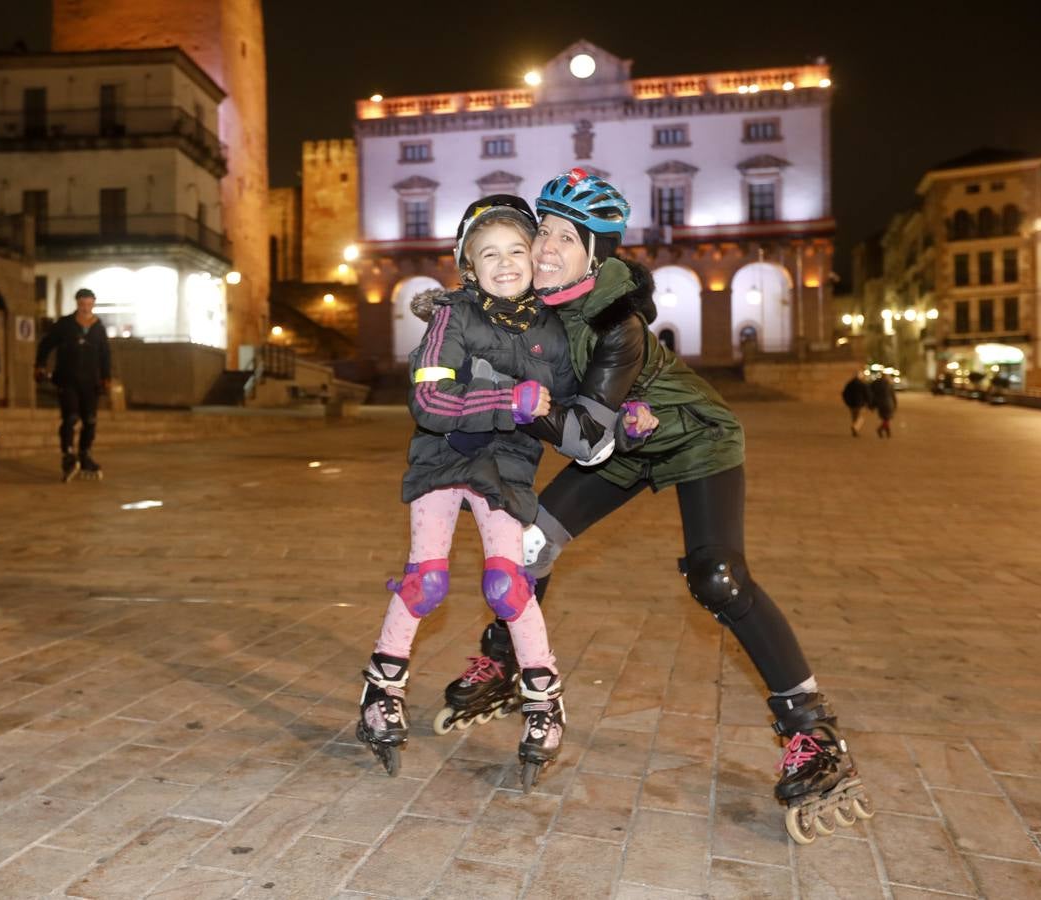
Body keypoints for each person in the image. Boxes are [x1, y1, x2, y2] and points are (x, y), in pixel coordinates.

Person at [491, 169, 870, 842]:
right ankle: (503, 661)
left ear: (596, 253)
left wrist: (529, 408)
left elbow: (582, 441)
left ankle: (814, 734)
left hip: (691, 439)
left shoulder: (618, 326)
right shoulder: (535, 303)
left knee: (717, 576)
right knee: (527, 546)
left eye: (561, 237)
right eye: (540, 230)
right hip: (624, 443)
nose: (542, 247)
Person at [357, 195, 652, 790]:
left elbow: (571, 407)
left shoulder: (549, 329)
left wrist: (626, 422)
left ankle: (543, 694)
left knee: (508, 582)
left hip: (507, 467)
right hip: (442, 460)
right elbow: (428, 401)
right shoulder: (452, 316)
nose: (506, 262)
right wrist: (501, 400)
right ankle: (383, 682)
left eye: (517, 248)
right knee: (427, 580)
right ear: (468, 264)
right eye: (487, 252)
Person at [36, 288, 111, 481]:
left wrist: (106, 378)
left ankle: (85, 454)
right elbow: (46, 344)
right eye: (82, 303)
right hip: (68, 379)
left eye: (88, 303)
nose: (85, 307)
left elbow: (105, 356)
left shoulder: (98, 328)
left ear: (93, 303)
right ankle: (68, 454)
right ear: (77, 303)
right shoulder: (65, 324)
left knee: (90, 421)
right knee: (70, 417)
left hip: (91, 383)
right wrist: (40, 365)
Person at [841, 372, 870, 437]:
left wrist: (847, 402)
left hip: (851, 404)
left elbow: (844, 393)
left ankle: (855, 431)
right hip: (860, 403)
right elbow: (867, 394)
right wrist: (868, 402)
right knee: (860, 417)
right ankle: (855, 427)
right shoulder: (862, 384)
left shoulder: (850, 384)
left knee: (854, 417)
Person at [870, 372, 897, 438]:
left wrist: (872, 405)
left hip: (880, 404)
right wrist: (895, 404)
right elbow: (893, 396)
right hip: (888, 404)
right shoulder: (889, 385)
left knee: (885, 419)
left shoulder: (877, 384)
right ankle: (880, 429)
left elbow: (874, 395)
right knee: (887, 419)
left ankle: (888, 432)